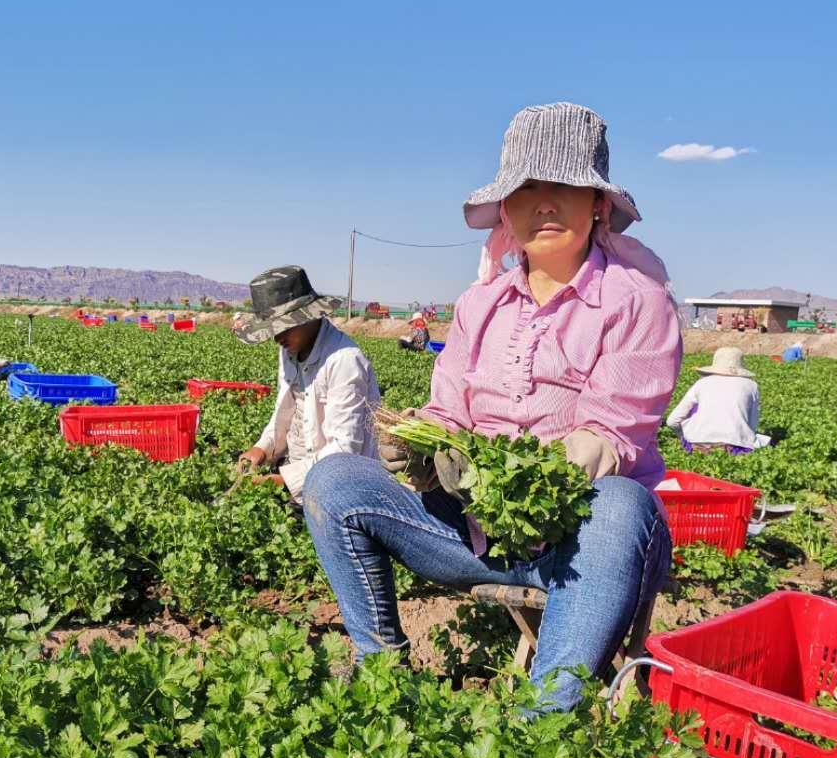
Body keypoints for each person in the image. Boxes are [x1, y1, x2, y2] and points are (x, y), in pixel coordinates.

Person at [302, 103, 681, 711]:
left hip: (580, 546)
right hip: (469, 536)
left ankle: (544, 723)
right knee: (334, 479)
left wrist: (558, 459)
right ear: (506, 210)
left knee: (622, 502)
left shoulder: (638, 302)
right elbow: (448, 410)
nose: (545, 203)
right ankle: (384, 677)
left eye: (564, 186)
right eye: (527, 189)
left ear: (598, 205)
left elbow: (611, 432)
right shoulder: (480, 305)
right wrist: (424, 443)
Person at [233, 265, 381, 507]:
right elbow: (285, 414)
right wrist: (261, 449)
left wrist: (281, 481)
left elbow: (344, 452)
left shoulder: (344, 361)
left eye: (282, 327)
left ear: (308, 315)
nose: (276, 338)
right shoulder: (290, 348)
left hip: (337, 488)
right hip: (294, 467)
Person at [665, 347, 769, 454]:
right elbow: (753, 423)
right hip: (734, 447)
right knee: (765, 441)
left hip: (696, 446)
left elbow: (672, 421)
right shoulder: (751, 386)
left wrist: (683, 437)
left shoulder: (702, 383)